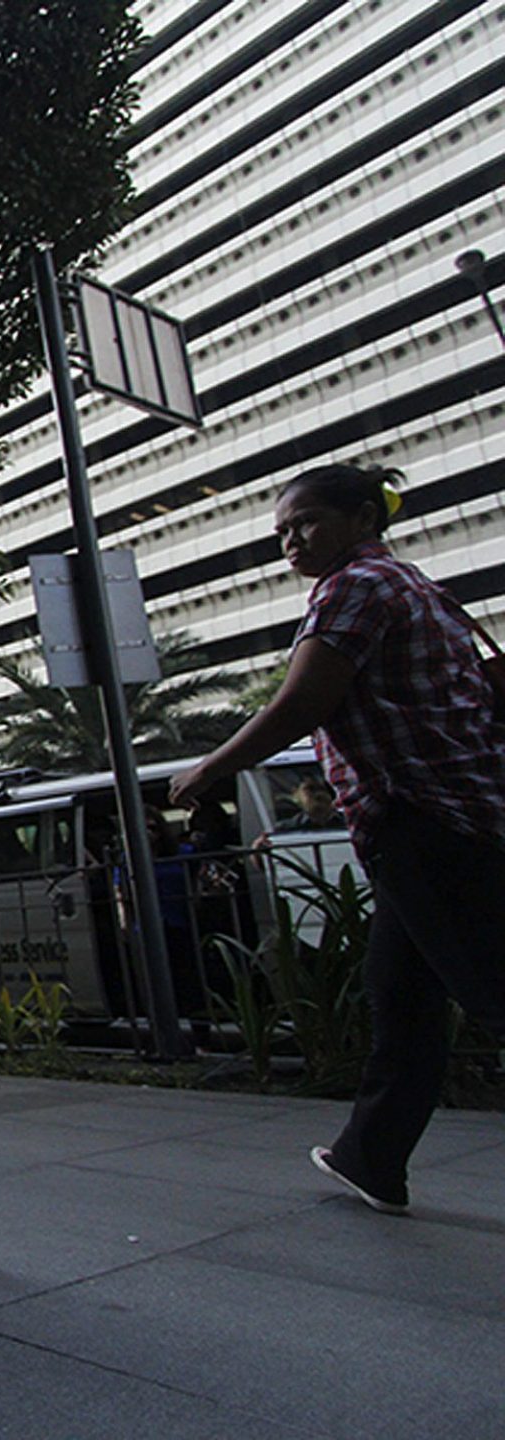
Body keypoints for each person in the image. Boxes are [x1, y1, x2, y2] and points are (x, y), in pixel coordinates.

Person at [171, 462, 505, 1215]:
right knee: (403, 998)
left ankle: (374, 1153)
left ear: (361, 518)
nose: (291, 541)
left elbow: (305, 702)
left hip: (429, 820)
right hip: (437, 818)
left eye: (305, 523)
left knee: (489, 988)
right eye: (282, 532)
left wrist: (209, 770)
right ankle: (372, 1157)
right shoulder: (414, 582)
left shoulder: (355, 587)